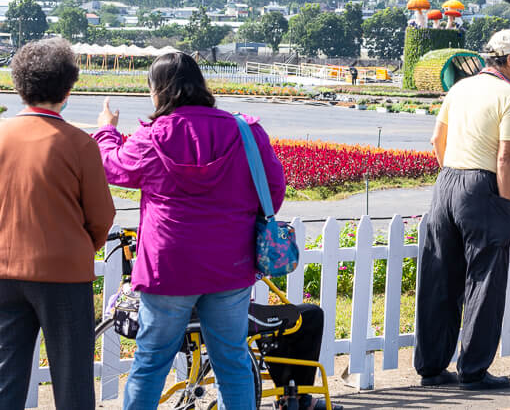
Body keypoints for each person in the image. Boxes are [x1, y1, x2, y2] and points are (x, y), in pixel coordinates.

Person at [93, 52, 292, 409]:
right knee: (232, 362)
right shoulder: (246, 131)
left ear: (158, 91)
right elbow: (274, 193)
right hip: (230, 266)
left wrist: (106, 129)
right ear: (200, 85)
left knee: (151, 362)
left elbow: (113, 167)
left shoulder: (153, 135)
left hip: (168, 268)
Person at [413, 29, 510, 390]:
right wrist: (503, 203)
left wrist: (452, 174)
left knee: (439, 278)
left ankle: (432, 367)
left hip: (447, 180)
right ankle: (473, 369)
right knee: (485, 280)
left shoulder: (460, 88)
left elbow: (436, 140)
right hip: (481, 186)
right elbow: (506, 157)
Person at [0, 38, 115, 410]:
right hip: (63, 273)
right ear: (68, 89)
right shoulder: (80, 144)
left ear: (19, 86)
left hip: (3, 269)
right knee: (72, 379)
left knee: (6, 377)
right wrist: (79, 245)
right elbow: (101, 217)